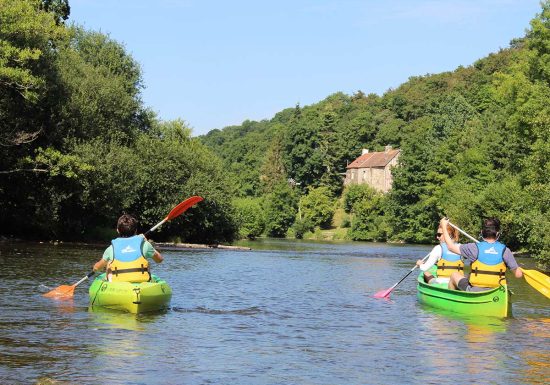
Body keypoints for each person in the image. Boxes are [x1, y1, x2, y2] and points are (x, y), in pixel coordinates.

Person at [440, 217, 522, 291]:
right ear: (497, 234)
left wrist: (444, 226)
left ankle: (455, 300)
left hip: (475, 290)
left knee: (454, 275)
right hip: (498, 291)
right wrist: (519, 269)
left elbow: (450, 247)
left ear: (482, 232)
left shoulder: (473, 248)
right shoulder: (505, 250)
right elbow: (518, 275)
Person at [93, 214, 164, 282]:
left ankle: (111, 283)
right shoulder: (145, 245)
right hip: (142, 282)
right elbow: (159, 260)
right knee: (146, 262)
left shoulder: (111, 248)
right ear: (136, 230)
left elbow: (97, 268)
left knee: (109, 263)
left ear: (117, 230)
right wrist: (147, 242)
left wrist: (94, 267)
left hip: (118, 283)